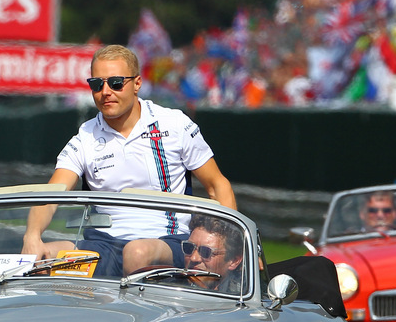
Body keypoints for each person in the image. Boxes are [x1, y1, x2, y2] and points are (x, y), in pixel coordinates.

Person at [21, 44, 235, 276]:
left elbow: (217, 185)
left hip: (168, 241)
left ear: (137, 84)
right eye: (96, 84)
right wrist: (32, 236)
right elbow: (52, 193)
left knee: (136, 252)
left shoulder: (174, 124)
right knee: (42, 261)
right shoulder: (85, 137)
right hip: (101, 246)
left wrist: (235, 249)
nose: (105, 92)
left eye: (115, 83)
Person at [181, 213, 244, 294]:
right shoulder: (166, 284)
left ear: (234, 261)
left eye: (206, 252)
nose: (194, 258)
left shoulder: (242, 297)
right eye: (189, 247)